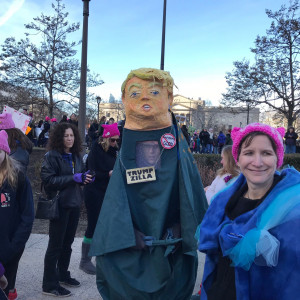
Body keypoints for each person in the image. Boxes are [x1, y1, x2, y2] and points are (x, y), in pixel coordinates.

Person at [90, 67, 208, 300]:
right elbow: (118, 198)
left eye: (154, 92)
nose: (144, 97)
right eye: (135, 93)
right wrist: (124, 232)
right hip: (130, 250)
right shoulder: (125, 149)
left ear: (170, 98)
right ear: (124, 100)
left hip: (171, 249)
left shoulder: (179, 148)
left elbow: (189, 192)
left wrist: (181, 227)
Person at [197, 123, 300, 300]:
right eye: (249, 153)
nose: (257, 162)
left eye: (266, 153)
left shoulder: (294, 207)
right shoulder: (223, 201)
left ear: (278, 158)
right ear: (238, 158)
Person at [41, 123, 93, 297]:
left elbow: (80, 174)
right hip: (60, 205)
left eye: (71, 135)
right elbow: (48, 180)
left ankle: (63, 274)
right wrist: (73, 178)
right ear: (59, 137)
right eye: (66, 136)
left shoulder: (77, 155)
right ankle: (49, 284)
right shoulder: (51, 156)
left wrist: (85, 178)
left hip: (75, 203)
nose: (69, 139)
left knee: (68, 244)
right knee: (55, 246)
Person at [80, 123, 120, 275]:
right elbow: (92, 174)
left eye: (117, 140)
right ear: (105, 139)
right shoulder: (95, 151)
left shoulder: (113, 152)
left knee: (104, 224)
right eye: (113, 140)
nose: (115, 143)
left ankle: (100, 257)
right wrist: (108, 174)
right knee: (93, 224)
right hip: (94, 192)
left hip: (106, 192)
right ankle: (85, 260)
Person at [0, 130, 34, 300]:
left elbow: (27, 215)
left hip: (9, 249)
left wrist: (15, 246)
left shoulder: (18, 178)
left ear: (5, 152)